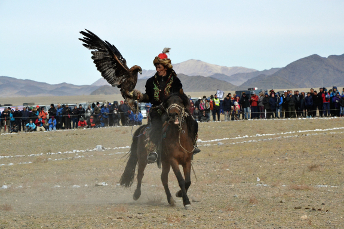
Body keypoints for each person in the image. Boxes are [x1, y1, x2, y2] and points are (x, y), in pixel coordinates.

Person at [134, 49, 200, 163]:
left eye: (159, 67)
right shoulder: (150, 82)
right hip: (157, 111)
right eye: (156, 67)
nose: (157, 69)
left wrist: (184, 103)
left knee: (193, 122)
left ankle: (192, 146)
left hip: (173, 108)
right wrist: (141, 97)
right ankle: (153, 151)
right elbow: (149, 97)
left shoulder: (175, 80)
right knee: (156, 126)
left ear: (165, 67)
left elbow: (180, 94)